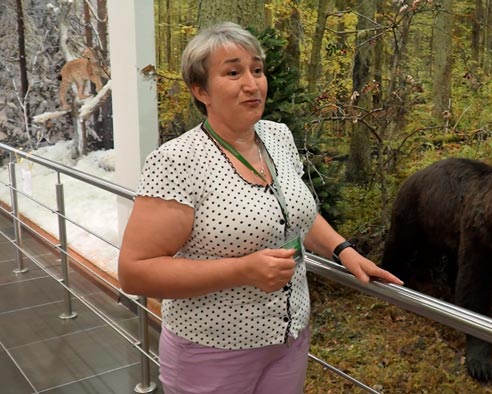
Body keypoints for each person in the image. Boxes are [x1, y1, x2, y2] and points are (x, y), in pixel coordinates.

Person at [118, 22, 403, 394]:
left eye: (257, 69)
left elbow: (297, 212)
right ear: (200, 89)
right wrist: (242, 270)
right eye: (233, 72)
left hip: (289, 337)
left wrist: (342, 250)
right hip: (212, 351)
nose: (252, 84)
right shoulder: (177, 161)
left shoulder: (277, 136)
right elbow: (134, 273)